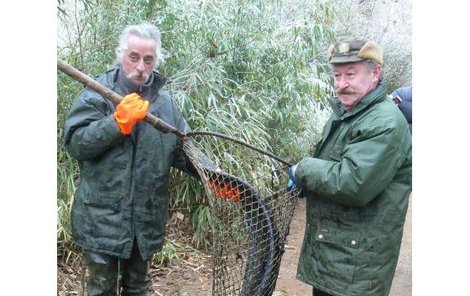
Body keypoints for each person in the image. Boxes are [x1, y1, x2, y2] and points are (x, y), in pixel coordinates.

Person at [64, 22, 199, 295]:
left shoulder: (165, 106)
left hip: (145, 221)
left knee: (138, 287)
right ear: (122, 55)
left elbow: (185, 150)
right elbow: (76, 144)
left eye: (148, 60)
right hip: (101, 220)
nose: (141, 67)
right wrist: (117, 123)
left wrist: (212, 174)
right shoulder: (97, 94)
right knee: (102, 288)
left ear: (155, 60)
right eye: (133, 57)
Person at [288, 39, 412, 296]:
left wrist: (304, 169)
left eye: (351, 75)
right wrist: (308, 183)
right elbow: (333, 165)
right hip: (336, 255)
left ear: (375, 73)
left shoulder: (384, 122)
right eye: (337, 75)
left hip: (357, 266)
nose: (341, 84)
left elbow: (353, 183)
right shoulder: (348, 111)